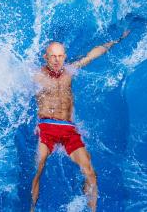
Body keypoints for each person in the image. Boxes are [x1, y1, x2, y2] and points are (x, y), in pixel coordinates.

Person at [30, 31, 130, 212]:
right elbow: (10, 79)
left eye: (60, 56)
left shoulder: (69, 71)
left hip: (68, 129)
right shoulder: (36, 75)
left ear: (65, 57)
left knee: (90, 173)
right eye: (52, 56)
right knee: (39, 167)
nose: (56, 60)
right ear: (46, 57)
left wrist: (117, 40)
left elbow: (93, 54)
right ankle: (31, 208)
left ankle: (92, 210)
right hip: (47, 128)